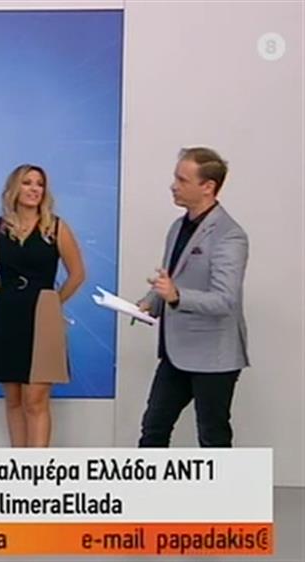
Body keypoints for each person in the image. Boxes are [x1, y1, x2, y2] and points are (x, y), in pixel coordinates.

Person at [137, 147, 249, 448]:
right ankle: (146, 481)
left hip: (214, 356)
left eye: (182, 180)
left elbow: (225, 300)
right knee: (153, 429)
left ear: (208, 187)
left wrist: (176, 296)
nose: (173, 185)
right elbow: (170, 279)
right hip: (176, 352)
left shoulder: (229, 235)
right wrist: (149, 302)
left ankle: (222, 483)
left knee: (212, 436)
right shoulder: (178, 227)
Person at [0, 164, 85, 447]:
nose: (34, 189)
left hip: (43, 314)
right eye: (27, 183)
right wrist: (5, 295)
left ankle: (36, 467)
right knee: (13, 398)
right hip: (7, 315)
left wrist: (53, 302)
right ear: (14, 188)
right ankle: (19, 463)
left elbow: (77, 274)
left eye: (39, 184)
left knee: (35, 398)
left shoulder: (56, 227)